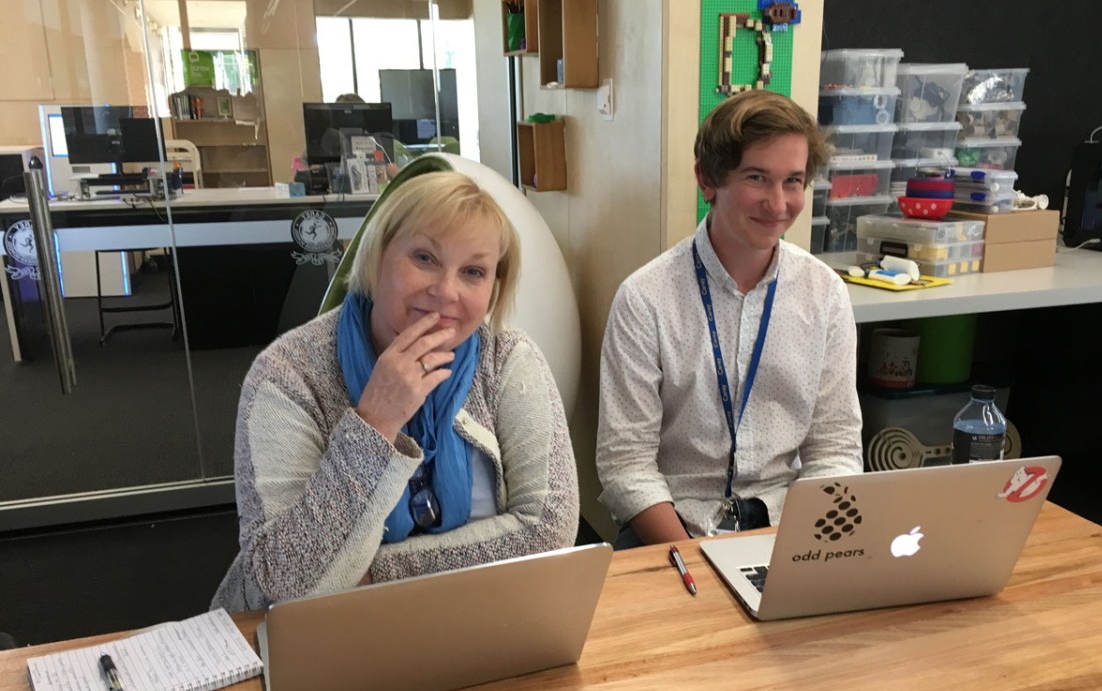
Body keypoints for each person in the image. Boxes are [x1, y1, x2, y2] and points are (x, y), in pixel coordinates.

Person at [211, 171, 579, 612]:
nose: (446, 292)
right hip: (327, 632)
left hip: (478, 619)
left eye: (473, 272)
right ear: (377, 256)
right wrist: (377, 422)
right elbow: (284, 584)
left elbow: (549, 532)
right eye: (424, 258)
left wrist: (378, 574)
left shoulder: (507, 358)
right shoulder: (288, 374)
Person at [596, 90, 863, 548]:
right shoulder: (645, 300)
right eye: (757, 178)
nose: (777, 203)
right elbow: (626, 465)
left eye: (793, 181)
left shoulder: (824, 294)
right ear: (707, 180)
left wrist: (809, 546)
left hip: (788, 524)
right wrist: (693, 557)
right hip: (676, 525)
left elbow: (834, 447)